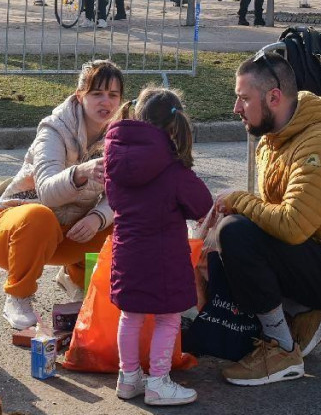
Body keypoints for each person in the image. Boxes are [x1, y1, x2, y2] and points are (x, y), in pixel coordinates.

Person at [214, 51, 321, 387]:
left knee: (236, 233)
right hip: (314, 254)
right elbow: (275, 221)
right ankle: (304, 313)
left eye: (244, 98)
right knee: (232, 232)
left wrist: (238, 201)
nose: (236, 108)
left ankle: (281, 349)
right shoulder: (271, 140)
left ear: (274, 97)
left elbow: (292, 225)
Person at [0, 60, 123, 329]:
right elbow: (46, 192)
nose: (106, 102)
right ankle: (18, 295)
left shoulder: (121, 133)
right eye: (97, 94)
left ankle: (77, 277)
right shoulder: (54, 129)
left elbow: (124, 193)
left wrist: (98, 217)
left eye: (113, 95)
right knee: (40, 216)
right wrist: (78, 173)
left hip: (64, 236)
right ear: (80, 96)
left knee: (126, 222)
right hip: (12, 232)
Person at [105, 87, 212, 407]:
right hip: (165, 257)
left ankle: (128, 378)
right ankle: (158, 382)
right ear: (174, 127)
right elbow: (202, 203)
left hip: (126, 252)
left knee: (130, 316)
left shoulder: (114, 158)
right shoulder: (172, 167)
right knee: (168, 318)